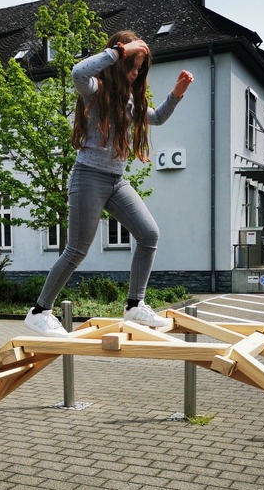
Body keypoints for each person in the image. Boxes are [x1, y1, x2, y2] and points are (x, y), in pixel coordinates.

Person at [24, 30, 194, 337]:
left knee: (149, 234)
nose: (135, 72)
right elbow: (78, 71)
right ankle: (39, 312)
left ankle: (134, 306)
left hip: (116, 182)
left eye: (140, 69)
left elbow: (156, 118)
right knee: (77, 250)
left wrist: (177, 93)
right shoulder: (95, 89)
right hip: (88, 176)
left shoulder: (129, 100)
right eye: (132, 66)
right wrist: (119, 49)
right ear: (117, 60)